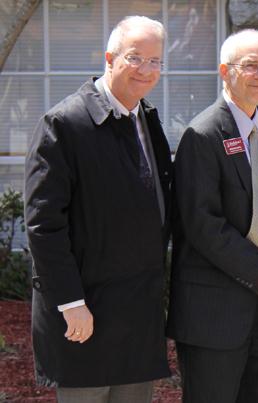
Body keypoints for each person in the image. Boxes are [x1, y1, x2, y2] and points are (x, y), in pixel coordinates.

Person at [24, 15, 172, 402]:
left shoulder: (146, 119)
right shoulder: (63, 124)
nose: (147, 70)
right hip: (85, 316)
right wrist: (71, 303)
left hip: (137, 317)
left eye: (156, 61)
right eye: (136, 58)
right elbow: (43, 226)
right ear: (110, 58)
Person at [166, 29, 258, 403]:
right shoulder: (202, 134)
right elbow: (202, 226)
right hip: (214, 316)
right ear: (225, 71)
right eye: (250, 66)